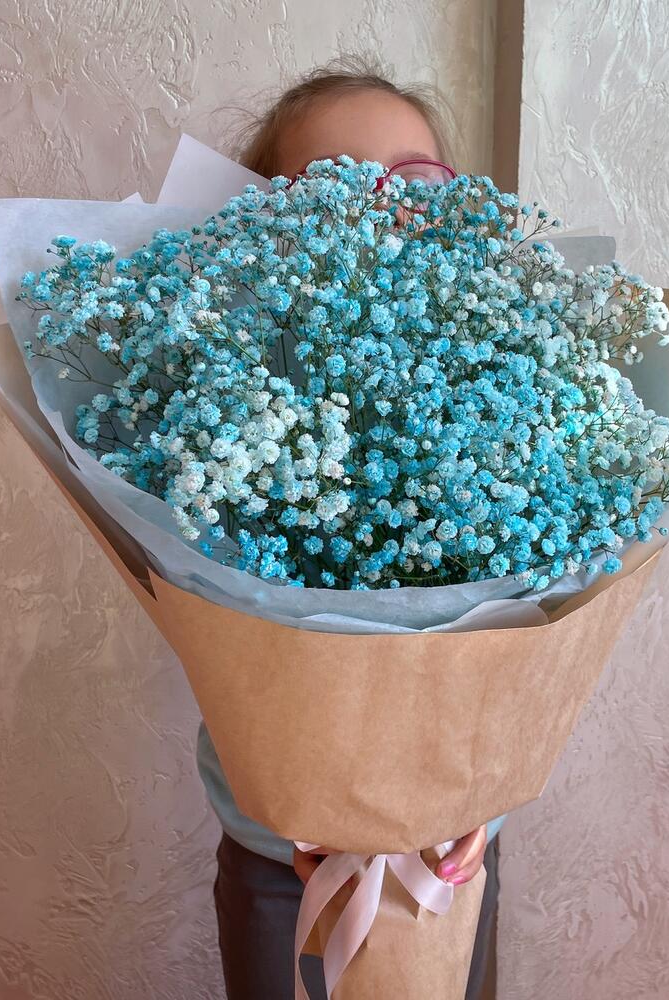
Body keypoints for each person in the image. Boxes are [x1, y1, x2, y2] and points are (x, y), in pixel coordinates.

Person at [199, 56, 507, 1000]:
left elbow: (521, 641)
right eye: (333, 184)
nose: (380, 208)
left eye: (413, 180)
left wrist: (479, 799)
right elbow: (223, 647)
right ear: (266, 217)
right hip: (279, 856)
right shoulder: (224, 411)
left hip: (453, 847)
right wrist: (298, 810)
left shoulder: (499, 392)